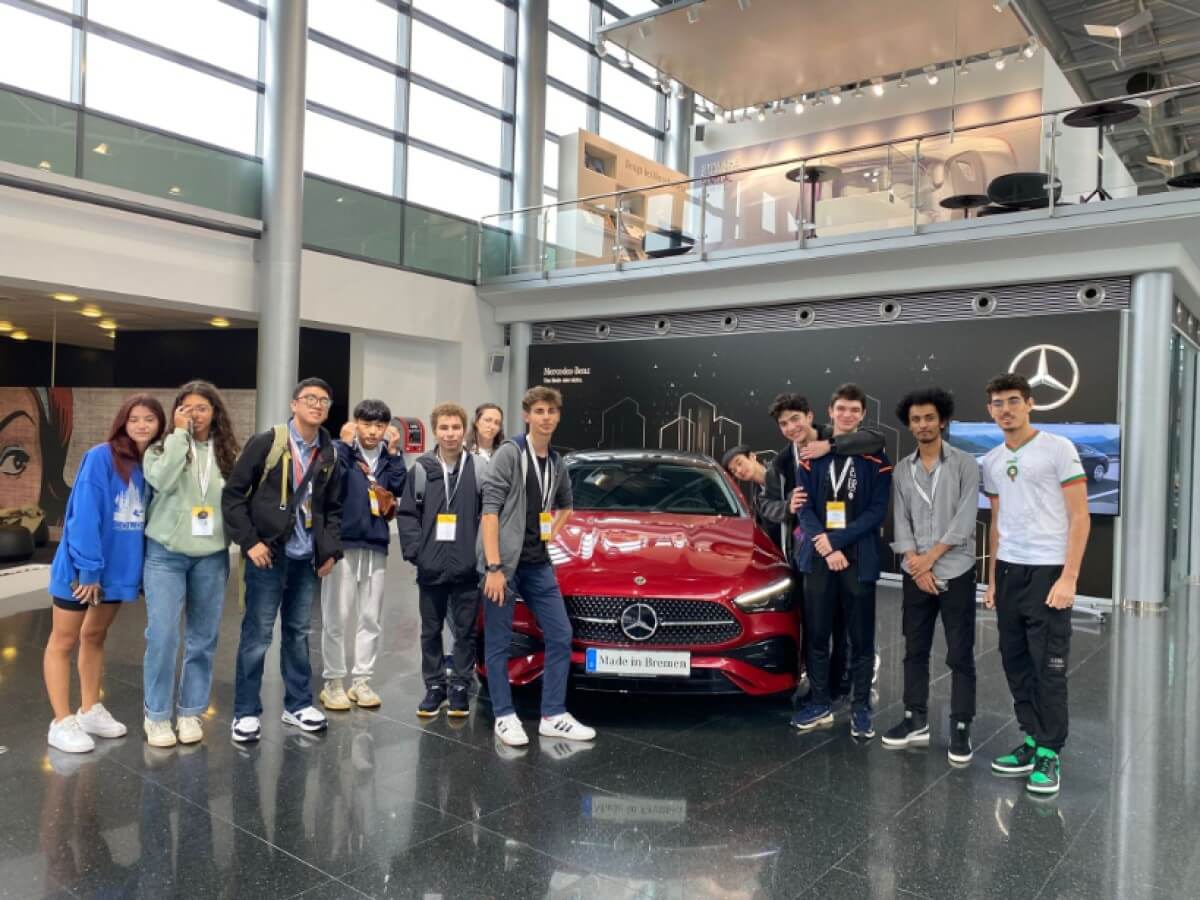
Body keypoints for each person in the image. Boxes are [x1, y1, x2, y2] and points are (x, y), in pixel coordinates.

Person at [982, 373, 1090, 796]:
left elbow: (1080, 516)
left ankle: (1050, 751)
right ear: (990, 409)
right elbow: (996, 522)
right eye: (996, 403)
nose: (1005, 409)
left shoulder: (1057, 449)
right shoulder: (991, 460)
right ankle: (1030, 737)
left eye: (1012, 400)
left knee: (1048, 666)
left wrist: (1069, 576)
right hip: (1009, 570)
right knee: (1015, 660)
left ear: (1029, 403)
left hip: (1048, 571)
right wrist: (991, 578)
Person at [222, 377, 343, 743]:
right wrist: (250, 543)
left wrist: (329, 550)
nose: (317, 405)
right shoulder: (268, 443)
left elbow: (332, 508)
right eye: (310, 398)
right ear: (294, 404)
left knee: (298, 632)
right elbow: (233, 497)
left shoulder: (328, 451)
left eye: (324, 400)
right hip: (268, 555)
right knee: (257, 635)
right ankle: (245, 711)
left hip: (307, 557)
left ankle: (298, 704)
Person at [43, 394, 165, 753]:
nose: (141, 425)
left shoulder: (153, 464)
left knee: (94, 636)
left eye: (149, 419)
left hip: (117, 573)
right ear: (122, 423)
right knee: (63, 641)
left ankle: (89, 709)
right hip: (83, 571)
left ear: (160, 425)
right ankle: (61, 721)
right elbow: (84, 516)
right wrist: (88, 571)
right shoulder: (101, 457)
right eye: (134, 419)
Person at [479, 385, 595, 748]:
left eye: (552, 412)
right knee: (498, 642)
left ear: (558, 417)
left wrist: (548, 534)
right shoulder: (509, 454)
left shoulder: (557, 462)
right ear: (527, 416)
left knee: (560, 635)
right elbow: (490, 512)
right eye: (539, 411)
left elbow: (566, 507)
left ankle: (553, 714)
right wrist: (494, 567)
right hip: (504, 565)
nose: (546, 417)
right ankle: (504, 715)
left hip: (538, 564)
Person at [761, 393, 886, 697]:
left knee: (846, 620)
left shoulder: (836, 436)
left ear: (810, 415)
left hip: (850, 545)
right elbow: (765, 504)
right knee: (815, 622)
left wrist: (830, 446)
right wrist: (788, 506)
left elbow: (876, 439)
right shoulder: (780, 462)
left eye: (795, 419)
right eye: (784, 424)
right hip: (810, 548)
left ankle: (842, 679)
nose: (792, 427)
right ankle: (817, 686)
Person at [881, 387, 980, 764]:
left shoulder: (965, 464)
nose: (923, 424)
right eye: (916, 419)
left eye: (929, 418)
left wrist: (929, 561)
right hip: (915, 573)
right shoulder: (902, 470)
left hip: (955, 571)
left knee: (960, 654)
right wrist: (914, 561)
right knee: (914, 650)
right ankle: (914, 718)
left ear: (942, 421)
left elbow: (965, 520)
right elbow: (900, 520)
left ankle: (960, 725)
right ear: (910, 425)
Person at [141, 381, 240, 748]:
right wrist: (179, 438)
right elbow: (163, 482)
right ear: (176, 412)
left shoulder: (228, 452)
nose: (194, 414)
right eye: (187, 408)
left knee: (203, 638)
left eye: (202, 407)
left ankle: (190, 711)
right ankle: (156, 716)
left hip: (211, 557)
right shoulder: (159, 449)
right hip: (165, 553)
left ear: (214, 412)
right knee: (163, 636)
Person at [792, 384, 893, 739]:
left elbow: (877, 511)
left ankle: (861, 706)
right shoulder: (810, 456)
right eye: (841, 409)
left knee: (860, 638)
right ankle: (820, 701)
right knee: (818, 635)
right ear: (830, 411)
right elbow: (802, 506)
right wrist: (825, 546)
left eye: (854, 410)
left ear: (862, 414)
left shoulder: (876, 459)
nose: (847, 415)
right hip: (820, 559)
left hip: (857, 557)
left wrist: (835, 541)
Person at [396, 403, 484, 718]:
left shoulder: (479, 468)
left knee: (465, 631)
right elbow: (407, 515)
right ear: (436, 431)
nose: (450, 434)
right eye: (444, 428)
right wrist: (417, 553)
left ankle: (460, 686)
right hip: (431, 566)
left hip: (467, 566)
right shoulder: (421, 469)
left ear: (465, 431)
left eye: (456, 428)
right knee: (430, 631)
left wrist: (481, 556)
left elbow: (489, 516)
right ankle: (434, 687)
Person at [320, 399, 407, 712]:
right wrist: (344, 446)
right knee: (337, 616)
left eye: (379, 425)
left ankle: (362, 680)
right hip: (342, 544)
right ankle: (333, 682)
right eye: (367, 424)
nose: (373, 431)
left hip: (376, 544)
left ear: (386, 428)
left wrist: (396, 454)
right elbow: (331, 481)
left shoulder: (388, 457)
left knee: (370, 617)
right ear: (355, 423)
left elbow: (399, 487)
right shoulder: (340, 449)